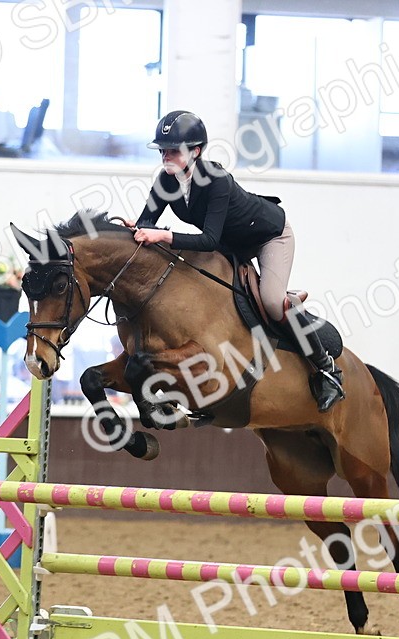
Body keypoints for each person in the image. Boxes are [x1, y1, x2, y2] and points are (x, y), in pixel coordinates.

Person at [128, 110, 344, 413]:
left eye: (173, 150)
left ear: (196, 151)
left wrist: (161, 236)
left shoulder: (216, 180)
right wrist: (134, 231)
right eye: (162, 150)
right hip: (233, 243)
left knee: (270, 301)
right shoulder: (166, 180)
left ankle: (327, 370)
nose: (166, 156)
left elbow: (208, 241)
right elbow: (146, 223)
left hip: (269, 236)